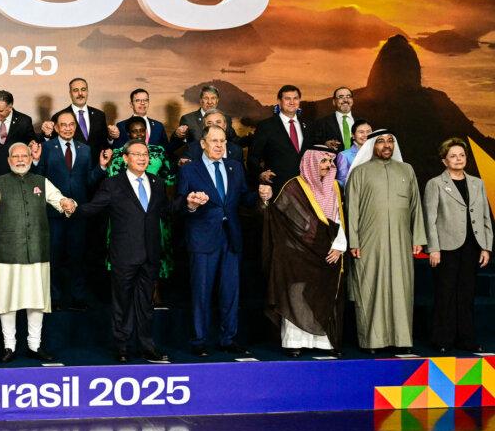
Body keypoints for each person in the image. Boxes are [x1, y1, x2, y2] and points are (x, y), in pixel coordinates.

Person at [0, 143, 77, 362]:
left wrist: (68, 204)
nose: (20, 159)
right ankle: (9, 346)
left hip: (38, 251)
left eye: (24, 155)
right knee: (7, 301)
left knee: (37, 301)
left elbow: (60, 200)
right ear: (8, 160)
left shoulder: (42, 182)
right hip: (7, 253)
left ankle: (34, 346)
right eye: (15, 156)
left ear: (30, 157)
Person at [176, 125, 271, 356]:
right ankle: (199, 340)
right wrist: (189, 203)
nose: (219, 145)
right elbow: (178, 203)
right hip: (202, 238)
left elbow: (243, 198)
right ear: (203, 144)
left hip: (231, 237)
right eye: (214, 141)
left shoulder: (235, 167)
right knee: (202, 291)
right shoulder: (190, 170)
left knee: (231, 292)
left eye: (223, 141)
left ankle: (228, 339)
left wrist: (260, 195)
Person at [77, 139, 170, 363]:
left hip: (150, 254)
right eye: (136, 154)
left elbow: (166, 211)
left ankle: (148, 346)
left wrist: (190, 204)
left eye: (145, 154)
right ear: (126, 158)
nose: (142, 158)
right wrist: (71, 207)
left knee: (146, 304)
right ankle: (122, 347)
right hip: (124, 255)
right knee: (122, 303)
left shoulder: (157, 182)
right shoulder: (113, 183)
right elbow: (93, 208)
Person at [261, 146, 347, 358]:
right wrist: (265, 201)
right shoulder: (293, 186)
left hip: (328, 251)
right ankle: (295, 342)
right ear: (311, 162)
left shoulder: (335, 187)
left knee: (322, 295)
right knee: (297, 295)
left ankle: (322, 343)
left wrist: (339, 246)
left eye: (330, 161)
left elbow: (341, 219)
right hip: (297, 253)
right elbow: (279, 217)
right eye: (323, 161)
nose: (328, 165)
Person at [346, 130, 426, 353]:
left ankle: (402, 339)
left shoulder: (406, 169)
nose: (386, 145)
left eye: (390, 140)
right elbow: (351, 210)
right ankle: (372, 341)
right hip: (369, 240)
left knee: (402, 288)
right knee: (372, 287)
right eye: (381, 141)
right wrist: (354, 241)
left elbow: (416, 206)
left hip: (402, 240)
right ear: (372, 145)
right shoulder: (360, 172)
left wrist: (418, 237)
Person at [423, 138, 492, 352]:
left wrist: (486, 246)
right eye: (453, 156)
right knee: (446, 293)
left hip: (472, 246)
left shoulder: (477, 183)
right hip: (446, 247)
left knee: (467, 293)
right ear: (444, 160)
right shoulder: (435, 183)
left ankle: (466, 339)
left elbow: (484, 216)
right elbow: (430, 219)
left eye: (461, 155)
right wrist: (433, 248)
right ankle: (442, 340)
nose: (458, 159)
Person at [30, 110, 104, 310]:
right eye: (63, 124)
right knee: (53, 257)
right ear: (55, 127)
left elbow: (89, 181)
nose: (68, 128)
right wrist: (35, 161)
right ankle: (54, 297)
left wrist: (102, 168)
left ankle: (77, 297)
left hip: (78, 214)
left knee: (77, 257)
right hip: (53, 214)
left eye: (72, 124)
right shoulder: (45, 148)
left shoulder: (85, 150)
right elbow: (38, 179)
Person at [105, 118, 175, 280]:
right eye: (135, 131)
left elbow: (170, 181)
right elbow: (111, 185)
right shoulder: (117, 155)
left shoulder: (158, 151)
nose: (139, 134)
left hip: (155, 212)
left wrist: (168, 209)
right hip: (126, 214)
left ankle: (155, 289)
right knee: (127, 250)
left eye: (142, 130)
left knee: (155, 249)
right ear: (128, 133)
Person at [248, 85, 308, 194]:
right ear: (279, 101)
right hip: (278, 187)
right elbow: (253, 157)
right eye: (287, 98)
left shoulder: (308, 125)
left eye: (295, 98)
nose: (292, 102)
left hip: (306, 187)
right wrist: (261, 173)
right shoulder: (265, 126)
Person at [43, 78, 116, 159]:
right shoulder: (59, 116)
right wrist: (46, 135)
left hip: (97, 167)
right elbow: (52, 146)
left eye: (83, 89)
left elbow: (105, 143)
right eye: (75, 90)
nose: (80, 93)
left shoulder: (99, 115)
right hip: (71, 168)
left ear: (87, 92)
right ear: (70, 93)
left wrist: (110, 137)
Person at [311, 87, 360, 152]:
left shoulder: (363, 120)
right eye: (341, 97)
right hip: (333, 161)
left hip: (361, 161)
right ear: (334, 102)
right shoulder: (322, 123)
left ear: (352, 100)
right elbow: (313, 144)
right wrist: (325, 144)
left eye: (348, 96)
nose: (345, 100)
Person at [335, 119, 372, 188]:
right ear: (353, 135)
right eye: (361, 132)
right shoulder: (344, 155)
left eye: (368, 132)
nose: (365, 135)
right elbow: (342, 181)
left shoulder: (378, 152)